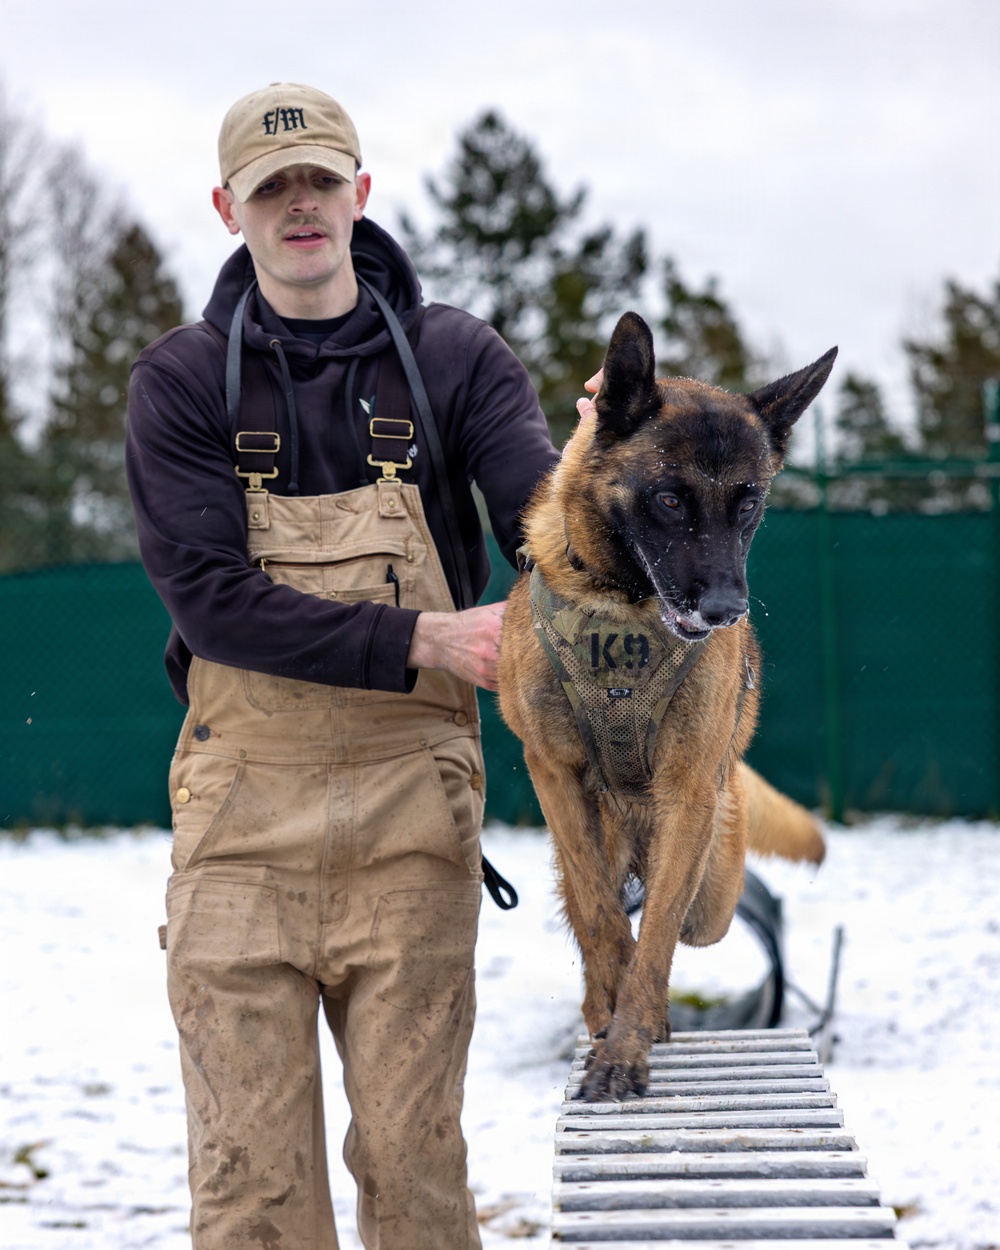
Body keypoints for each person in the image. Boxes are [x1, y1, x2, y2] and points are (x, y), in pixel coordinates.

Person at [126, 82, 558, 1250]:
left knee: (417, 1174)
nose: (300, 203)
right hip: (241, 823)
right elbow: (213, 604)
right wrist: (424, 635)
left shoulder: (453, 357)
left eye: (320, 180)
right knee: (249, 1190)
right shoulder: (180, 382)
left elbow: (545, 520)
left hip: (412, 809)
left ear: (360, 194)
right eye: (273, 188)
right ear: (231, 208)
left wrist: (610, 480)